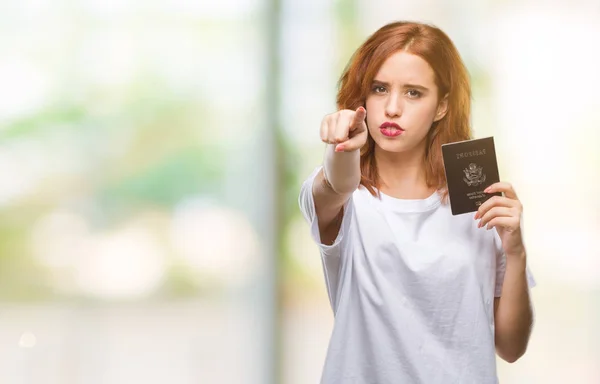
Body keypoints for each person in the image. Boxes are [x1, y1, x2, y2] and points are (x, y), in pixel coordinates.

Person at [298, 21, 536, 384]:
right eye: (379, 89)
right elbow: (337, 182)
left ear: (441, 106)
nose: (392, 108)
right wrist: (342, 146)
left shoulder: (476, 199)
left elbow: (511, 347)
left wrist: (516, 252)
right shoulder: (348, 199)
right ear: (363, 97)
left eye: (413, 93)